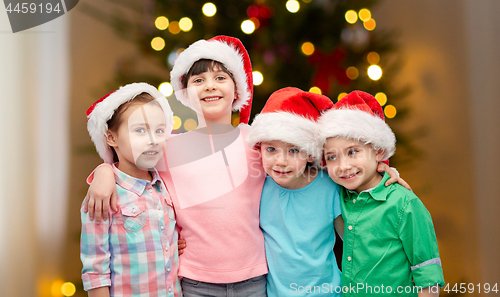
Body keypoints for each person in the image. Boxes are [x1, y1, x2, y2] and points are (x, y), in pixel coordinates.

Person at [84, 36, 268, 296]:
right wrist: (103, 171)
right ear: (185, 93)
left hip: (254, 277)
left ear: (238, 88)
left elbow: (294, 165)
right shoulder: (166, 147)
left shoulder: (257, 141)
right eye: (198, 80)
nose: (209, 86)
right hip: (195, 281)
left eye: (220, 78)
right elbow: (126, 161)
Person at [318, 90, 445, 297]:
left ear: (378, 151)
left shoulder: (404, 204)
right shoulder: (338, 195)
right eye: (332, 157)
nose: (343, 166)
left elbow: (427, 273)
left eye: (352, 152)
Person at [81, 83, 182, 296]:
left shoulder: (164, 185)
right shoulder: (104, 194)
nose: (153, 139)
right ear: (111, 138)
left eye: (160, 130)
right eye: (139, 130)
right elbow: (95, 268)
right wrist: (103, 171)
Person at [246, 87, 344, 296]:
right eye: (271, 149)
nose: (281, 161)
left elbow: (353, 243)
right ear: (259, 148)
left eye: (293, 150)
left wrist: (385, 170)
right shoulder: (258, 186)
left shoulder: (330, 186)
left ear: (310, 153)